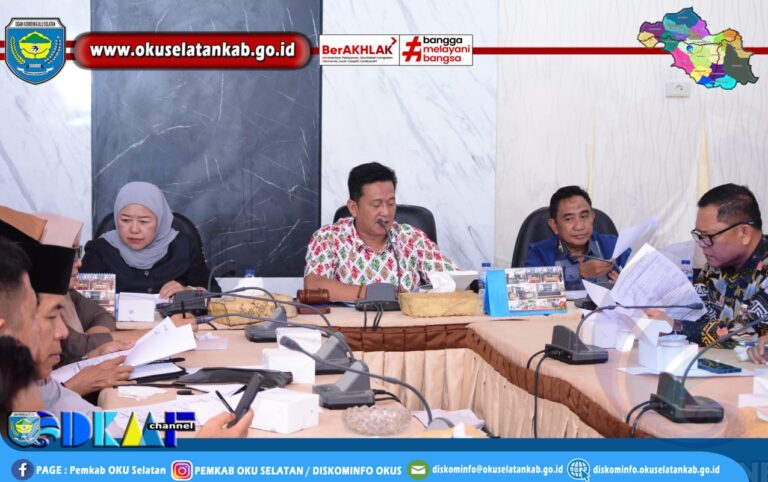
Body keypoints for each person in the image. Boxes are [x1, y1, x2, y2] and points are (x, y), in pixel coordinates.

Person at [0, 235, 251, 438]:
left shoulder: (32, 384)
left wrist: (185, 422)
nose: (63, 332)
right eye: (45, 316)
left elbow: (98, 431)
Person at [304, 162, 457, 301]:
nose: (386, 212)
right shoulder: (328, 238)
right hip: (348, 323)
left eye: (391, 203)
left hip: (405, 322)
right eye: (376, 205)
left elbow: (455, 281)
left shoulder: (412, 238)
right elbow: (312, 285)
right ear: (353, 208)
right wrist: (374, 293)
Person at [649, 184, 768, 363]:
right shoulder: (716, 266)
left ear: (744, 233)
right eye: (699, 235)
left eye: (709, 236)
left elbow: (743, 333)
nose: (701, 244)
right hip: (711, 367)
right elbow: (695, 313)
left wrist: (675, 326)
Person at [81, 181, 220, 297]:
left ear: (160, 220)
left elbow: (215, 292)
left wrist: (189, 291)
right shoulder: (99, 250)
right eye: (125, 220)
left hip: (175, 321)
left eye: (144, 221)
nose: (134, 229)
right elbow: (82, 301)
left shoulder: (184, 246)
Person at [525, 186, 630, 290]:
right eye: (569, 219)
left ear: (592, 217)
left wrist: (627, 287)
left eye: (584, 216)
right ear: (554, 226)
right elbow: (528, 289)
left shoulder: (614, 246)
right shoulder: (541, 253)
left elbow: (638, 280)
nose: (579, 226)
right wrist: (578, 272)